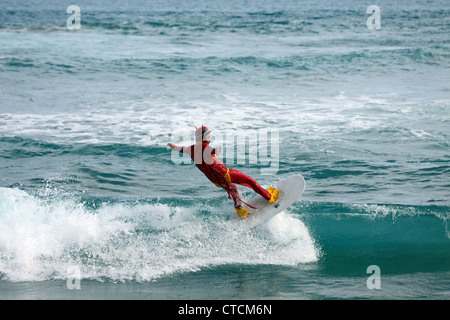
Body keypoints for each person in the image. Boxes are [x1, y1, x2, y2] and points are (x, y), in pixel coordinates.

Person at [168, 126, 279, 218]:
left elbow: (181, 149)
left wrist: (173, 146)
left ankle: (240, 210)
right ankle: (270, 197)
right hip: (225, 175)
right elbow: (206, 149)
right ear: (202, 137)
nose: (210, 136)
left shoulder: (190, 149)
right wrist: (215, 150)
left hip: (216, 181)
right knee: (249, 181)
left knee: (233, 188)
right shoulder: (202, 145)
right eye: (208, 135)